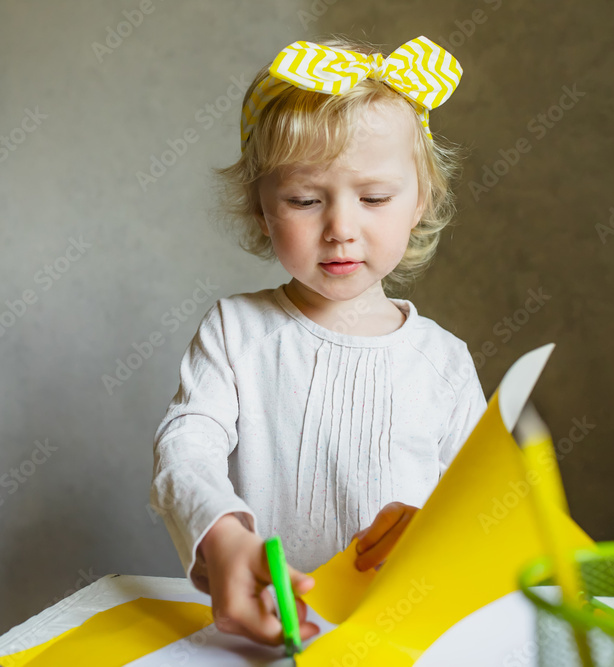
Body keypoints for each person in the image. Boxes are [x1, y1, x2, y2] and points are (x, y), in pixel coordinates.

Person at [149, 34, 487, 648]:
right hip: (269, 638)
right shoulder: (235, 332)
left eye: (375, 197)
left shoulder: (443, 363)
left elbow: (481, 512)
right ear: (261, 210)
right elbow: (184, 448)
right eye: (305, 200)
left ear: (421, 201)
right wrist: (221, 532)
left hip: (402, 639)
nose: (340, 229)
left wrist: (433, 536)